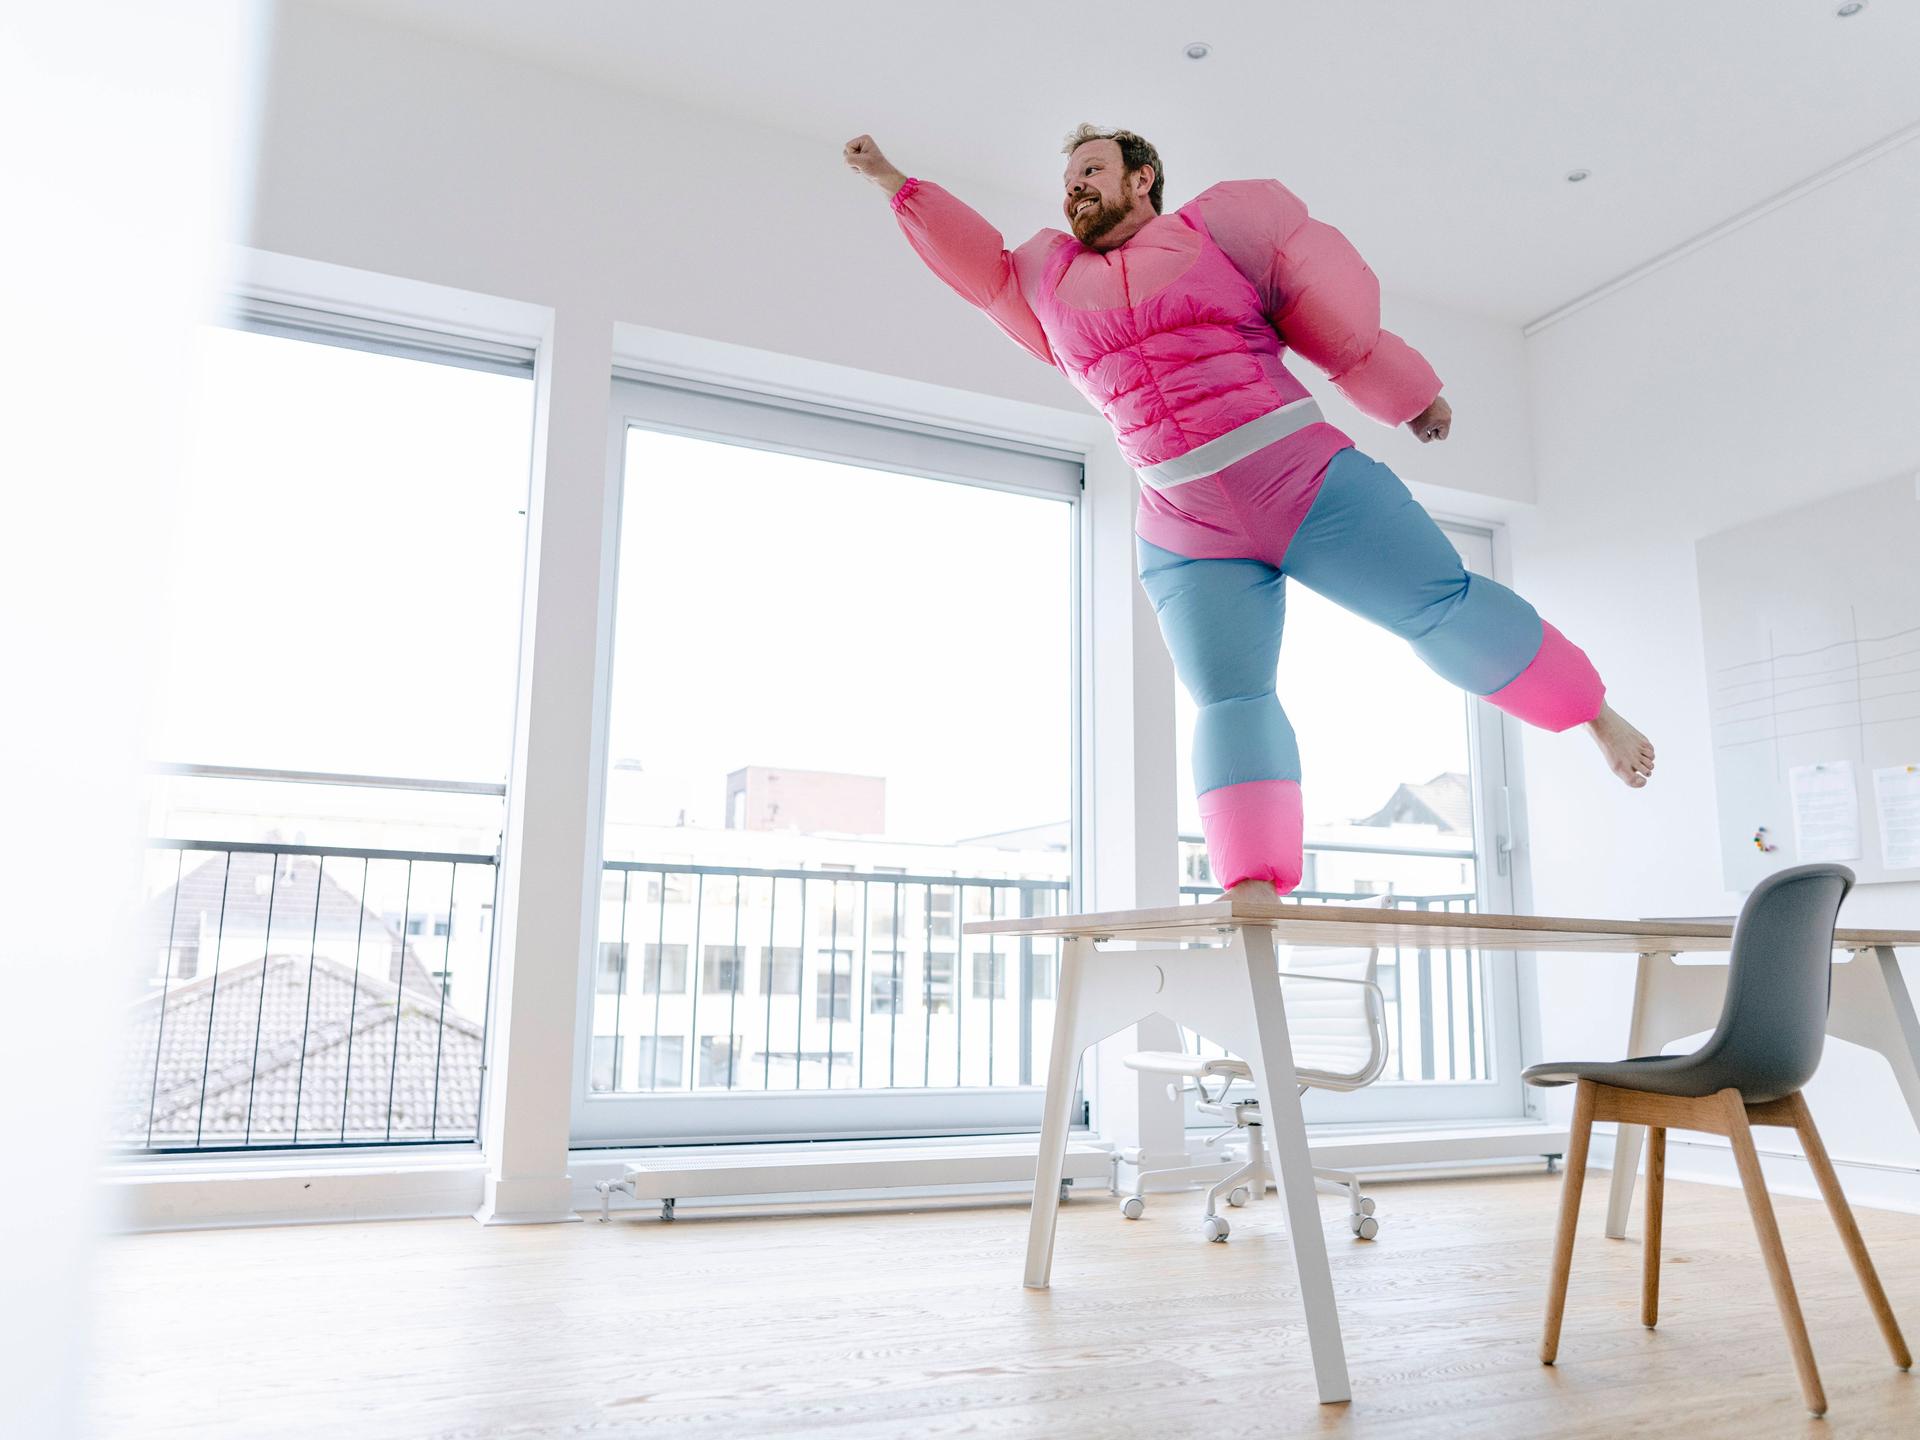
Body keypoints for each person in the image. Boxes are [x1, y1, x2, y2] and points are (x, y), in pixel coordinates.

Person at [844, 125, 1654, 900]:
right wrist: (892, 181)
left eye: (1090, 169)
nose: (1074, 188)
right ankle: (1253, 880)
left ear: (1141, 177)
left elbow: (1331, 313)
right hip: (1186, 524)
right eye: (1066, 180)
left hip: (1304, 479)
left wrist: (1411, 396)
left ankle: (1594, 714)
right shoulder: (1046, 282)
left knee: (1442, 608)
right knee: (1230, 700)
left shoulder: (1217, 236)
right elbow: (975, 264)